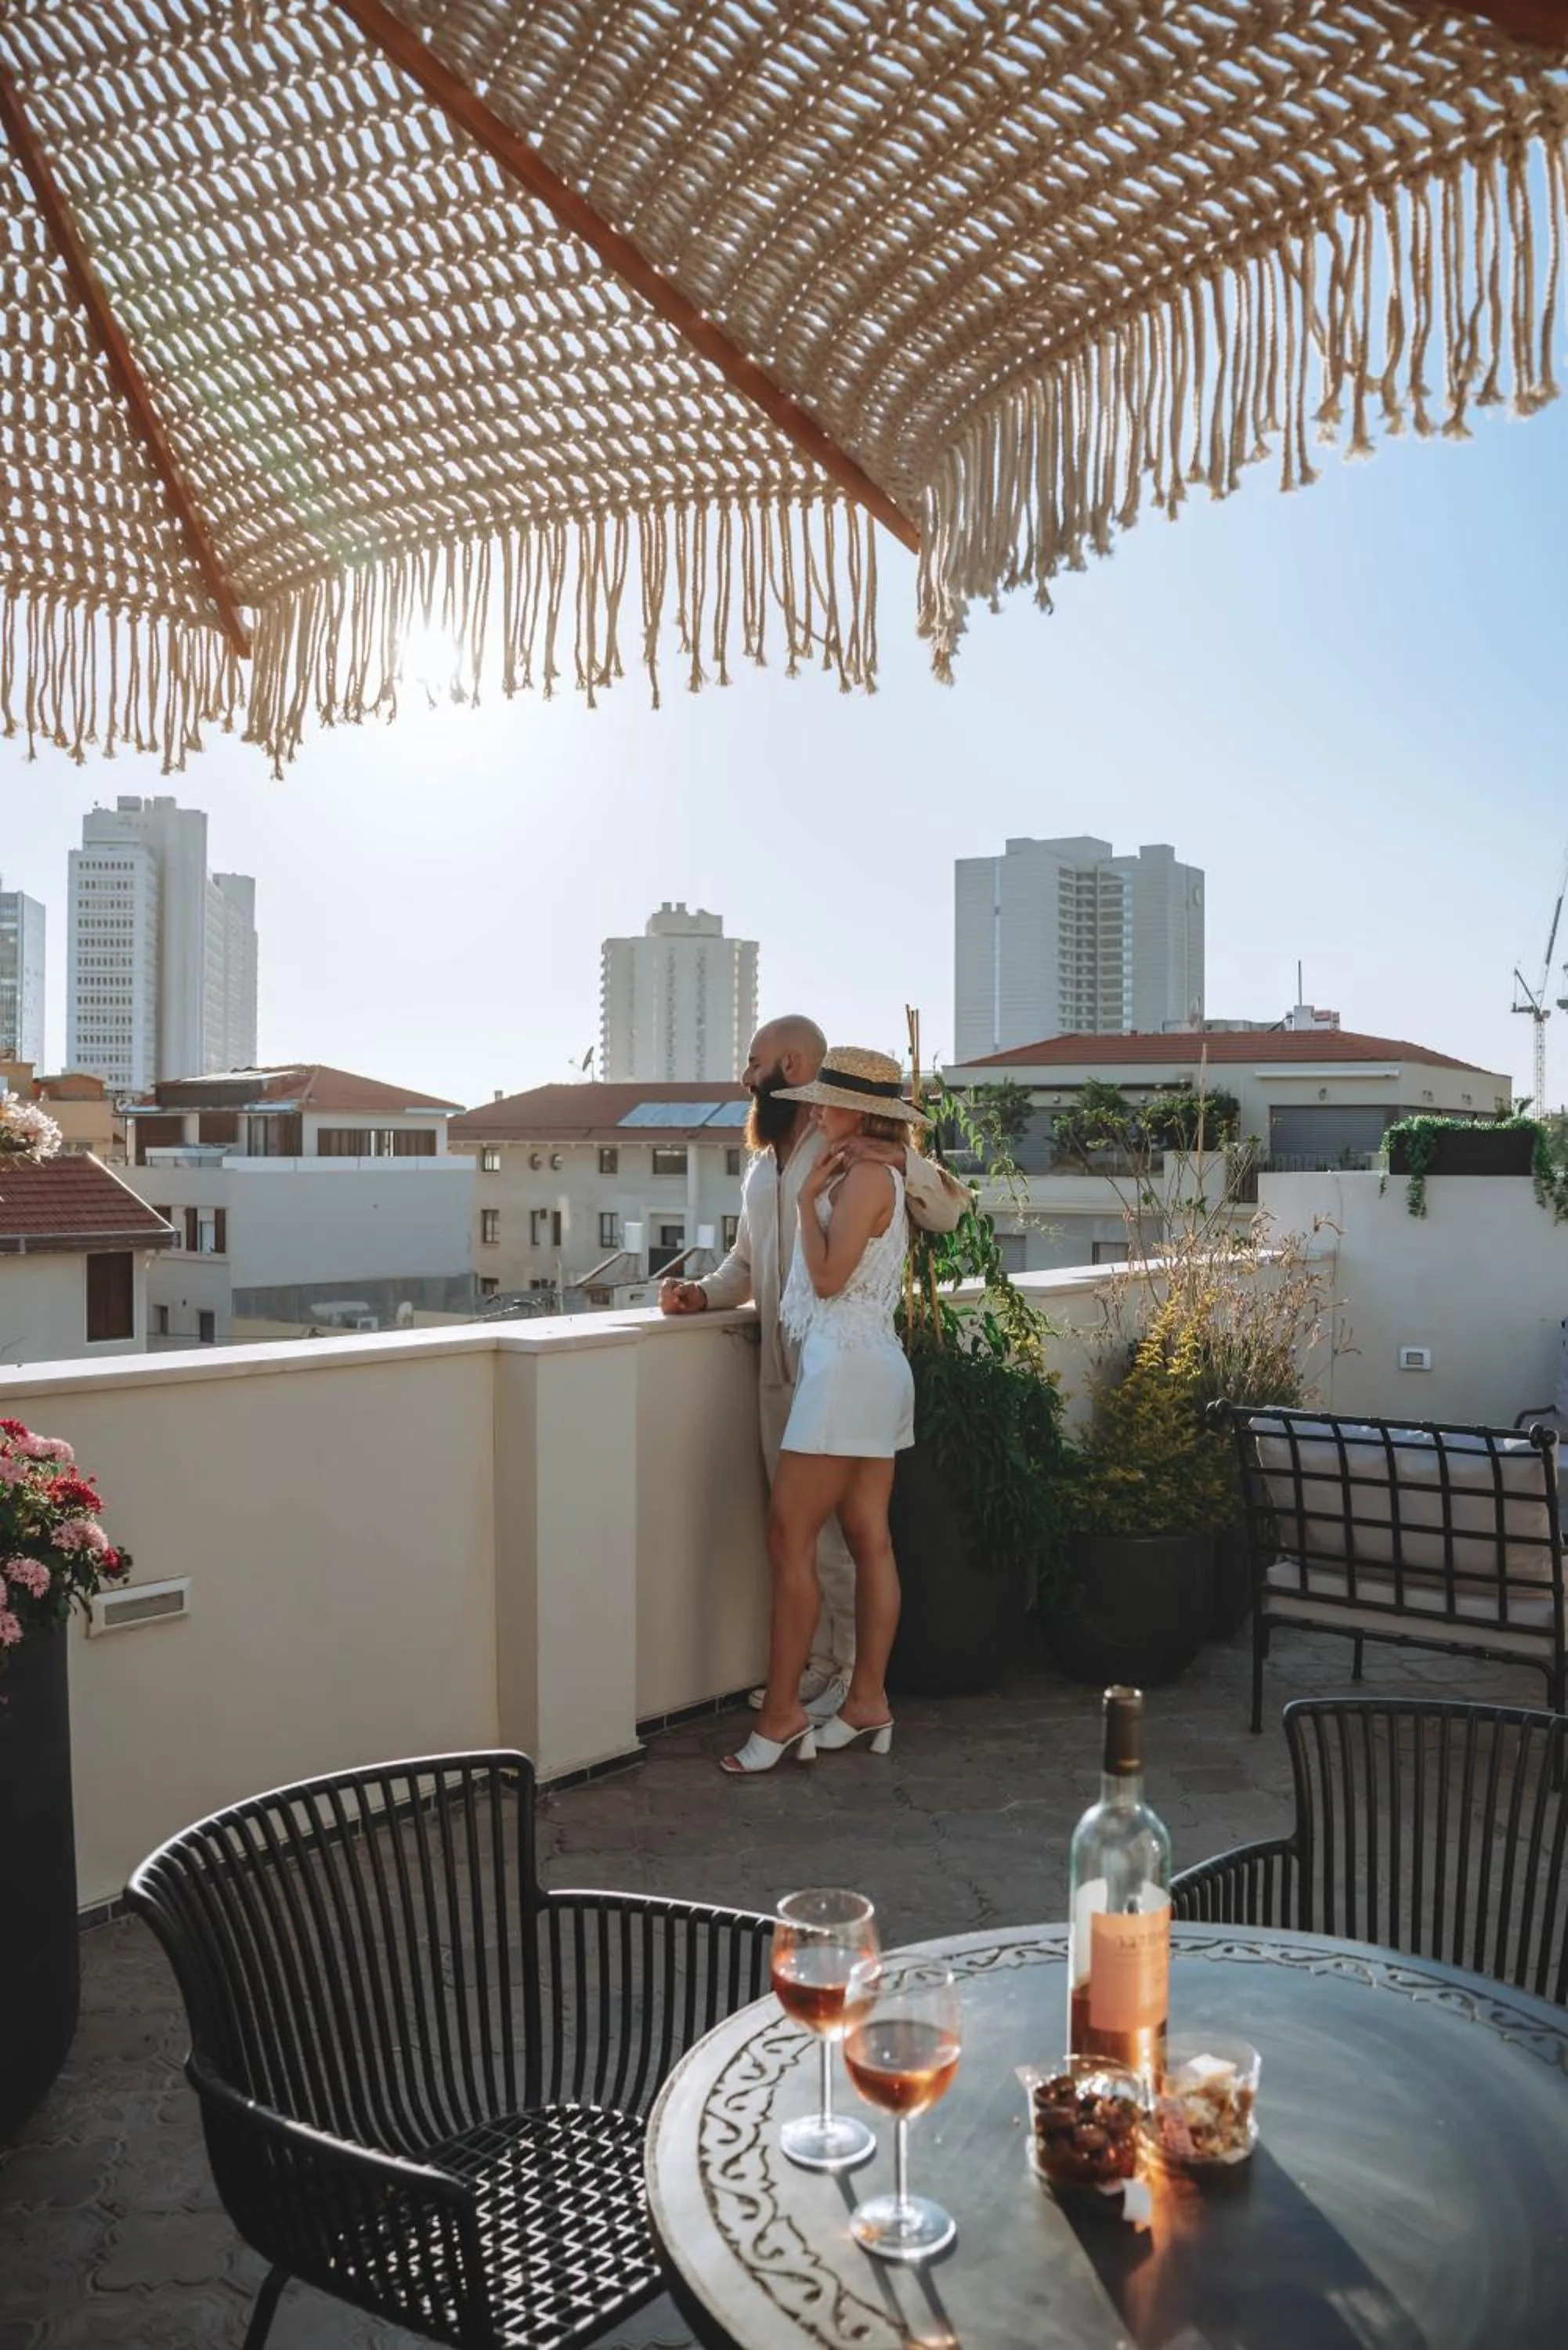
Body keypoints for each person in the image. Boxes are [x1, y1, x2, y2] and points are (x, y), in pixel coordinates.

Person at [661, 1021, 967, 1748]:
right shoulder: (762, 1167)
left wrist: (898, 1153)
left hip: (837, 1365)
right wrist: (701, 1295)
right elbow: (746, 1267)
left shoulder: (858, 1154)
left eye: (755, 1063)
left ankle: (843, 1676)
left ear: (792, 1066)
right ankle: (836, 1683)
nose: (745, 1078)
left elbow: (948, 1211)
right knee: (822, 1536)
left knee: (827, 1538)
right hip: (780, 1372)